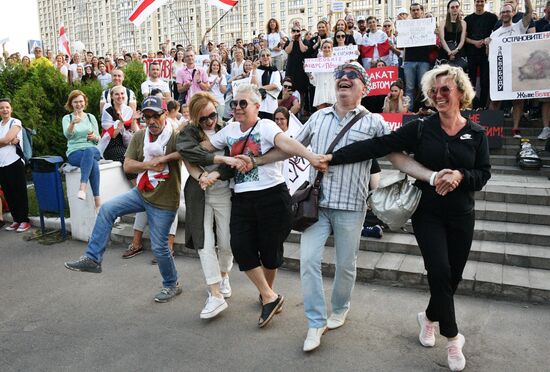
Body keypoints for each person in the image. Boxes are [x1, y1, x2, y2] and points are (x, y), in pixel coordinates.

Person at [243, 62, 438, 352]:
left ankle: (340, 308)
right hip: (316, 206)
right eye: (340, 76)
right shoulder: (319, 116)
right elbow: (290, 147)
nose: (343, 79)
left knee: (346, 265)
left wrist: (431, 176)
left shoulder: (374, 123)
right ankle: (315, 322)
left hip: (351, 206)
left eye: (352, 76)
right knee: (308, 262)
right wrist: (255, 161)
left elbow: (396, 157)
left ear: (364, 87)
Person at [323, 64, 491, 371]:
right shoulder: (421, 128)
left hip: (462, 216)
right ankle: (453, 339)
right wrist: (333, 157)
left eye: (445, 90)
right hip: (428, 214)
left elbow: (483, 174)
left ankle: (428, 317)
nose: (439, 96)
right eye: (433, 91)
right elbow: (378, 146)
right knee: (439, 271)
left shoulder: (476, 133)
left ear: (461, 93)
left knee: (452, 278)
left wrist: (460, 175)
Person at [200, 84, 320, 328]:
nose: (237, 108)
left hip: (272, 197)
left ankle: (268, 294)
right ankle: (269, 296)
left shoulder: (266, 126)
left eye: (243, 103)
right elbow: (204, 148)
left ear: (257, 106)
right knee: (241, 246)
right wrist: (181, 142)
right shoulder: (230, 130)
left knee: (269, 251)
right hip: (242, 198)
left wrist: (310, 157)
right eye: (234, 103)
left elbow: (286, 144)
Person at [64, 96, 183, 304]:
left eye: (156, 116)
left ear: (165, 115)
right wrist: (147, 165)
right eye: (147, 117)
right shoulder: (139, 137)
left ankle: (172, 284)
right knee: (107, 209)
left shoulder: (175, 137)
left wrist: (162, 159)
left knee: (159, 246)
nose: (152, 121)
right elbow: (127, 165)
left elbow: (185, 152)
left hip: (164, 201)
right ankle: (93, 259)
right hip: (142, 193)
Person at [172, 92, 239, 318]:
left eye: (212, 115)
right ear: (194, 119)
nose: (210, 121)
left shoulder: (228, 128)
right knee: (204, 242)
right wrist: (217, 160)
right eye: (203, 119)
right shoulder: (187, 133)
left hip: (223, 193)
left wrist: (214, 174)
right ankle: (214, 293)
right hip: (198, 195)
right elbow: (187, 152)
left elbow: (235, 162)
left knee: (228, 241)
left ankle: (224, 275)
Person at [488, 0, 533, 138]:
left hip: (517, 71)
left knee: (518, 100)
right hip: (501, 71)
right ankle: (492, 130)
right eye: (503, 12)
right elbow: (490, 56)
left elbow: (529, 12)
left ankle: (515, 129)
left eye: (508, 11)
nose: (505, 13)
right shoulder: (495, 34)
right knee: (495, 99)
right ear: (500, 15)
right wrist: (487, 44)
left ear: (513, 13)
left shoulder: (519, 27)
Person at [62, 90, 102, 209]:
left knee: (89, 150)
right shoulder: (67, 118)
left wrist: (94, 137)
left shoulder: (90, 117)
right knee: (92, 163)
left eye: (81, 101)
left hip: (92, 150)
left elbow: (98, 139)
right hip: (75, 152)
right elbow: (67, 135)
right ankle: (97, 198)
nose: (79, 104)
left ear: (84, 102)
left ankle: (82, 187)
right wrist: (73, 123)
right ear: (71, 104)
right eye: (75, 102)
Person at [0, 98, 31, 232]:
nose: (4, 110)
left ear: (11, 109)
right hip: (2, 164)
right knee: (9, 193)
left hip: (15, 161)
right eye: (2, 108)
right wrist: (8, 141)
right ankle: (16, 219)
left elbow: (7, 138)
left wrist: (9, 140)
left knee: (19, 192)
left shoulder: (16, 122)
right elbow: (7, 140)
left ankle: (24, 220)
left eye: (7, 107)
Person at [98, 85, 140, 182]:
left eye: (122, 94)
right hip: (112, 145)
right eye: (117, 94)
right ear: (112, 97)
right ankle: (138, 188)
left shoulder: (128, 110)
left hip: (127, 143)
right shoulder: (108, 111)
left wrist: (133, 120)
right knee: (127, 158)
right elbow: (112, 135)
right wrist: (120, 123)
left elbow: (135, 131)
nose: (120, 96)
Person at [464, 0, 498, 110]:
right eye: (477, 1)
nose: (479, 3)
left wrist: (487, 40)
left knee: (485, 81)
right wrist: (475, 42)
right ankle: (472, 106)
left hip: (486, 54)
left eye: (481, 1)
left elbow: (497, 33)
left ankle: (483, 106)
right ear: (474, 2)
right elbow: (463, 38)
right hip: (471, 54)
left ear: (485, 2)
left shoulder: (492, 17)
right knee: (471, 82)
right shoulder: (467, 19)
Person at [403, 3, 434, 111]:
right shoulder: (405, 26)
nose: (415, 12)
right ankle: (409, 112)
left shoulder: (428, 25)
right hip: (409, 60)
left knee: (424, 88)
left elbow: (433, 45)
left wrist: (434, 33)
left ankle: (425, 111)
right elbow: (400, 45)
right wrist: (400, 35)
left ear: (422, 11)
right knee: (409, 88)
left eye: (417, 10)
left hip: (423, 60)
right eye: (413, 10)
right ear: (410, 12)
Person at [250, 49, 282, 120]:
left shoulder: (275, 71)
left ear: (271, 57)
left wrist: (260, 89)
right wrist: (254, 69)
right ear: (260, 58)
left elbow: (275, 85)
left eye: (268, 55)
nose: (265, 57)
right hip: (258, 105)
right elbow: (253, 85)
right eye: (263, 55)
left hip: (271, 105)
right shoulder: (255, 70)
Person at [284, 25, 309, 105]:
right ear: (291, 32)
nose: (296, 33)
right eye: (294, 31)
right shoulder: (288, 41)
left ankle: (301, 109)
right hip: (291, 68)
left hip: (301, 69)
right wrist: (292, 40)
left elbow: (303, 50)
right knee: (289, 88)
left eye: (297, 31)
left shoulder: (304, 41)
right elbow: (288, 51)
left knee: (301, 90)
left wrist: (299, 40)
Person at [437, 1, 467, 67]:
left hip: (459, 52)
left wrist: (456, 51)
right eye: (452, 7)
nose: (455, 9)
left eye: (457, 7)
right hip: (445, 52)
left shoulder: (463, 23)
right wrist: (449, 52)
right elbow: (442, 39)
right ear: (448, 9)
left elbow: (462, 40)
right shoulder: (443, 22)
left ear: (459, 8)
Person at [309, 39, 337, 109]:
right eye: (324, 47)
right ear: (321, 49)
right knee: (322, 116)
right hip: (321, 92)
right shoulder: (317, 63)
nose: (327, 49)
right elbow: (313, 81)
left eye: (328, 47)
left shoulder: (337, 61)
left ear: (332, 49)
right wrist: (308, 73)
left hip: (332, 91)